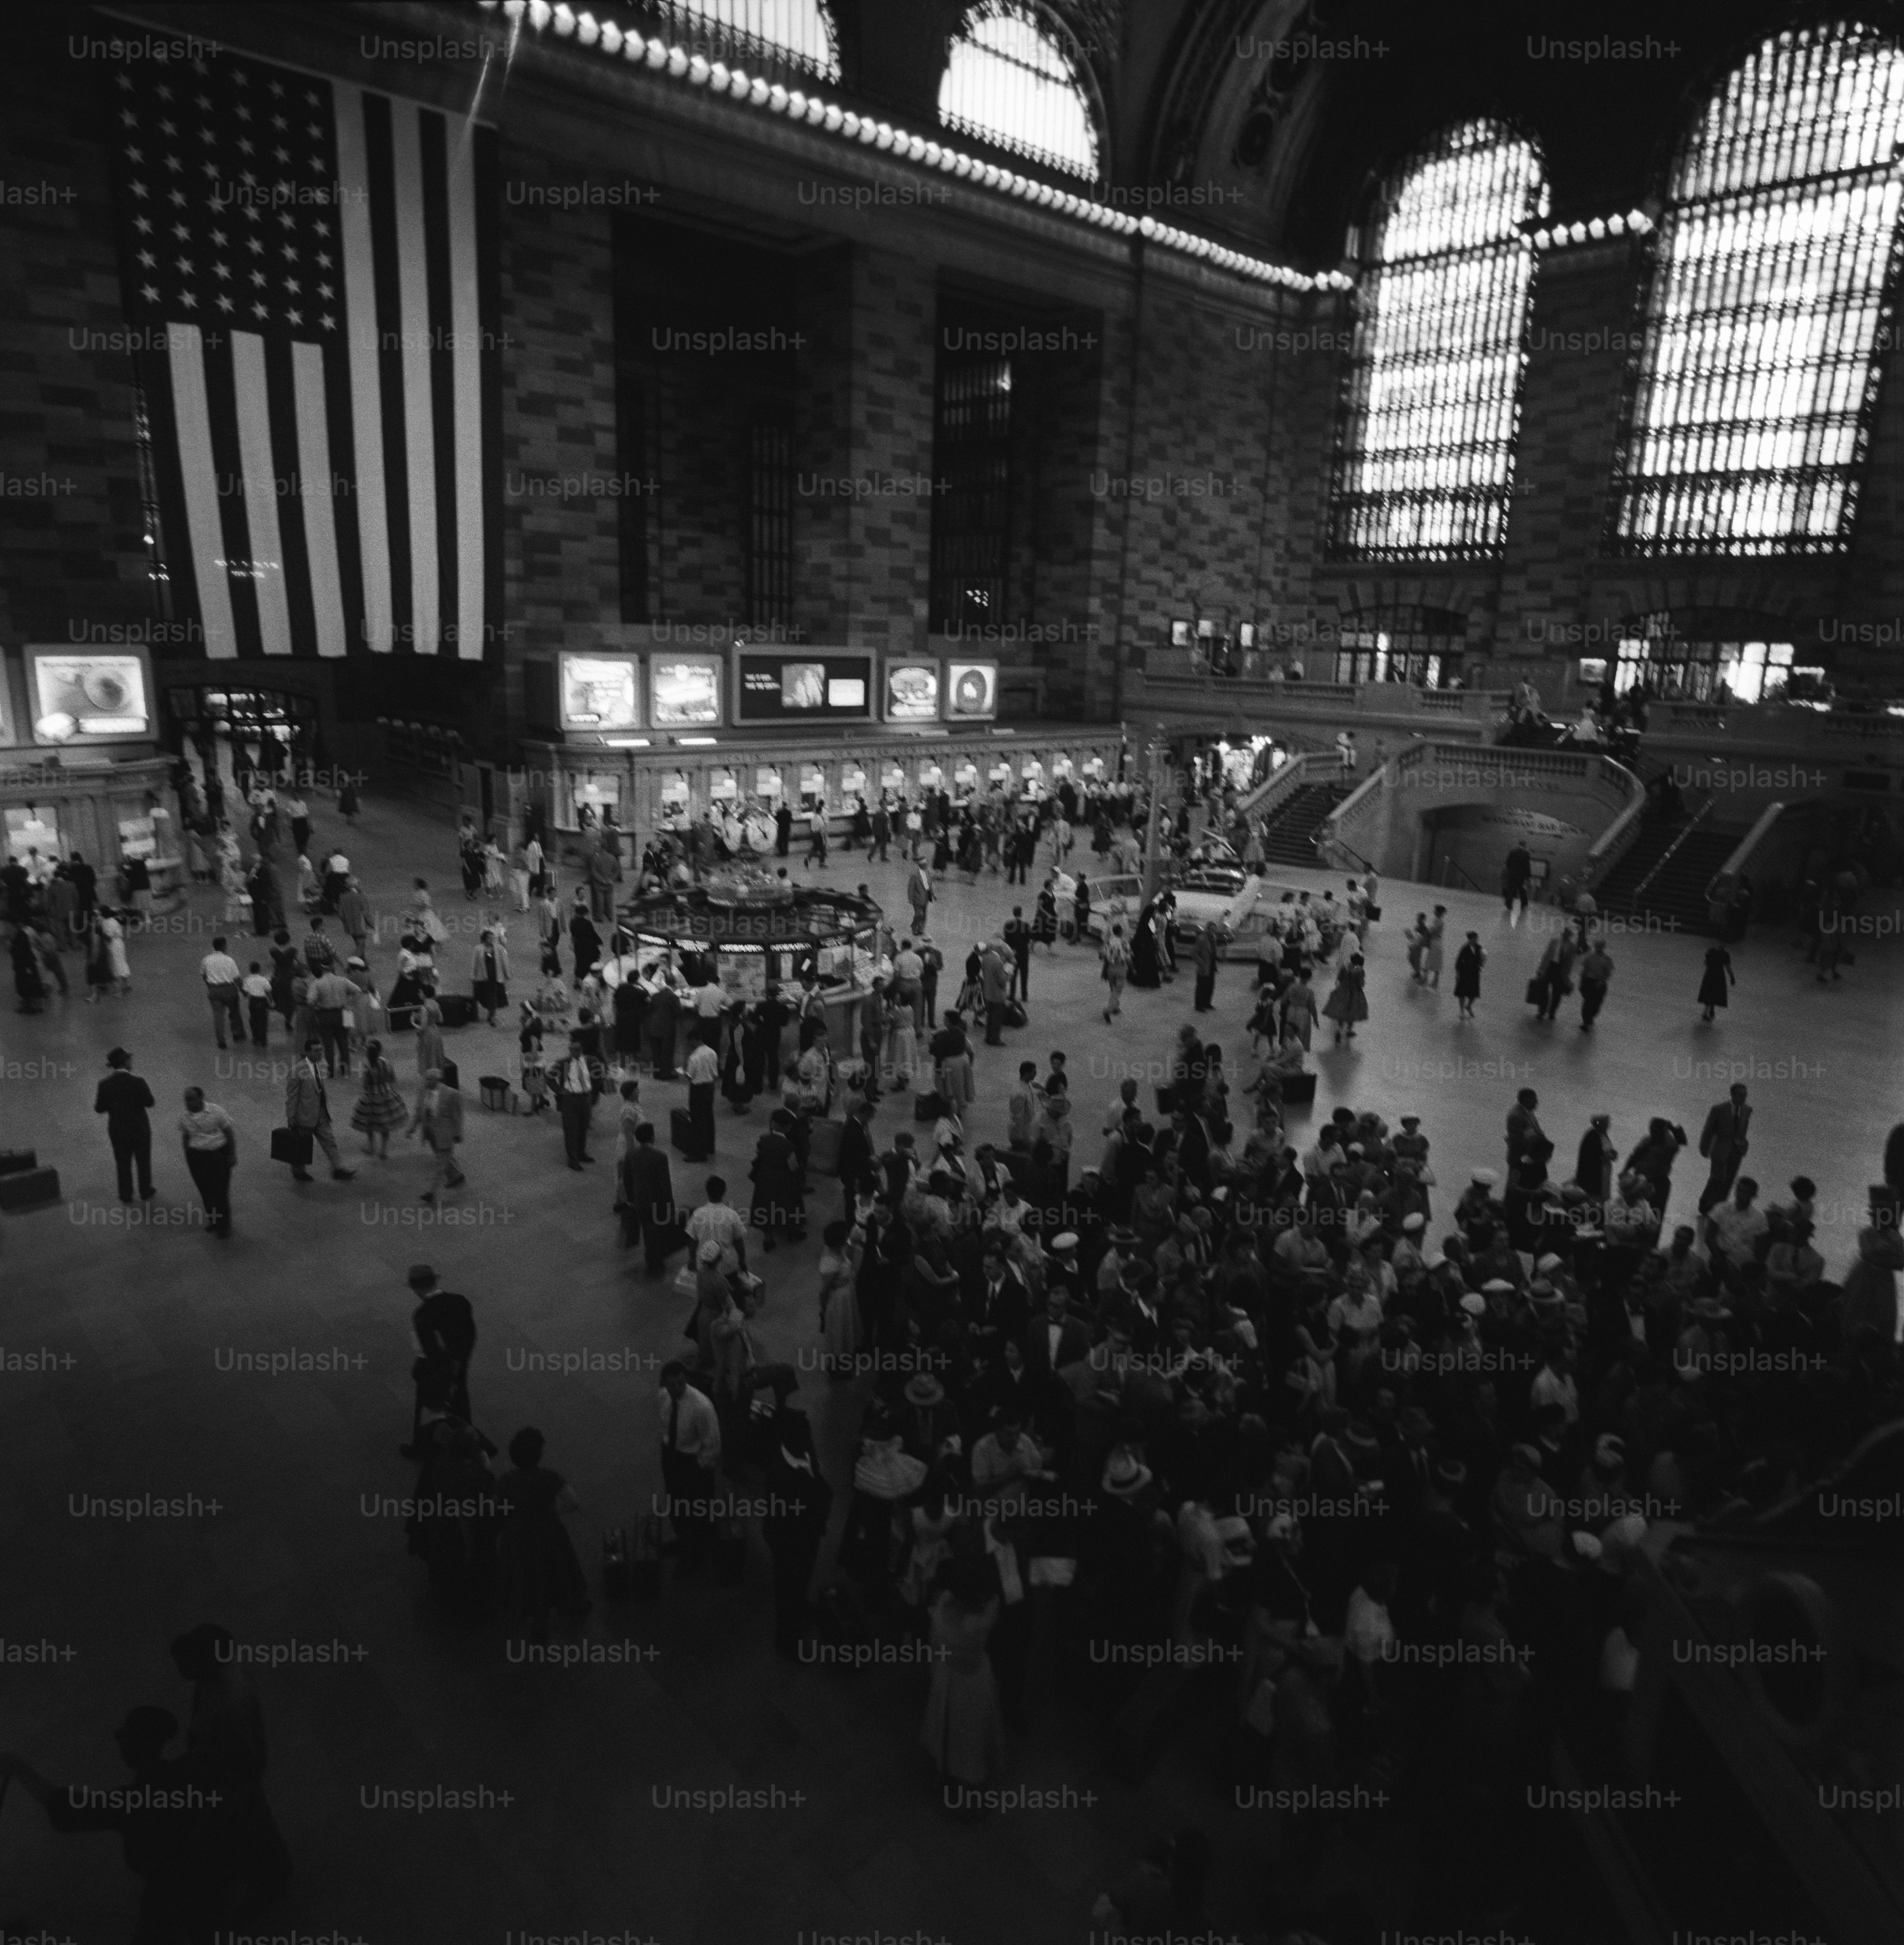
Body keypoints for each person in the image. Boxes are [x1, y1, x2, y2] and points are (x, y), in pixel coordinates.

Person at [0, 1707, 224, 1941]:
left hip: (171, 1904)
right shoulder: (178, 1779)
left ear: (138, 1744)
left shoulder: (142, 1797)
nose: (121, 1746)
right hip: (200, 1899)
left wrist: (20, 1770)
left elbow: (72, 1808)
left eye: (127, 1739)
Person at [919, 1563, 1009, 1798]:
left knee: (947, 1728)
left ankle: (946, 1771)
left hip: (949, 1678)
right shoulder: (990, 1609)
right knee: (972, 1734)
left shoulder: (944, 1612)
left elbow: (936, 1643)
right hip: (978, 1677)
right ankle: (969, 1778)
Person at [497, 1426, 591, 1642]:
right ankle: (572, 1605)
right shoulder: (550, 1478)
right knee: (560, 1571)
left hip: (518, 1537)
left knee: (529, 1579)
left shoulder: (506, 1480)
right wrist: (553, 1510)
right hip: (548, 1534)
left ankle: (538, 1622)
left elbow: (496, 1506)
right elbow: (573, 1502)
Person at [659, 1360, 722, 1564]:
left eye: (681, 1382)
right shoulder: (663, 1397)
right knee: (677, 1505)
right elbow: (665, 1427)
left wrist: (695, 1471)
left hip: (694, 1464)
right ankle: (684, 1540)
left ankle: (698, 1555)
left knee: (698, 1513)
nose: (677, 1388)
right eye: (672, 1384)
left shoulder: (702, 1407)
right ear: (665, 1385)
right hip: (672, 1457)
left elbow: (713, 1448)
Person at [283, 1038, 356, 1183]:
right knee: (302, 1145)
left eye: (321, 1050)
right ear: (307, 1052)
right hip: (305, 1116)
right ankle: (298, 1171)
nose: (320, 1053)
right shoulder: (297, 1071)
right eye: (316, 1050)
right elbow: (292, 1097)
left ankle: (338, 1168)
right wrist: (291, 1117)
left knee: (330, 1141)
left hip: (321, 1113)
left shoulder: (319, 1065)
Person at [94, 1047, 157, 1204]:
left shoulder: (104, 1085)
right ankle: (145, 1191)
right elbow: (150, 1103)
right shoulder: (138, 1082)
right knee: (143, 1161)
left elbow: (99, 1109)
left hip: (118, 1130)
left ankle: (126, 1194)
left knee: (123, 1163)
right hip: (139, 1129)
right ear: (126, 1062)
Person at [178, 1086, 238, 1237]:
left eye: (191, 1099)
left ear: (201, 1098)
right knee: (205, 1191)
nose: (188, 1102)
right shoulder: (185, 1117)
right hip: (197, 1158)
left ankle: (224, 1226)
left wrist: (232, 1154)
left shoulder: (216, 1111)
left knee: (220, 1192)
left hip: (218, 1156)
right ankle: (214, 1221)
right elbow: (186, 1135)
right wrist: (188, 1152)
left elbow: (229, 1133)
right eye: (186, 1099)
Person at [623, 1122, 678, 1274]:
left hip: (640, 1201)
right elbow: (665, 1184)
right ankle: (656, 1261)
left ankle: (650, 1258)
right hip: (657, 1202)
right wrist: (670, 1205)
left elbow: (627, 1179)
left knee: (647, 1230)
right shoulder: (660, 1157)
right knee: (658, 1231)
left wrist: (631, 1200)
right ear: (652, 1137)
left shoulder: (631, 1154)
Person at [409, 1067, 467, 1201]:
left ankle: (431, 1192)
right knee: (443, 1156)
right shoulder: (423, 1091)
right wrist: (412, 1128)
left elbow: (458, 1116)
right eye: (426, 1078)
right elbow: (419, 1112)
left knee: (440, 1164)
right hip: (430, 1132)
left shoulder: (452, 1094)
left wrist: (458, 1133)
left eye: (430, 1079)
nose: (426, 1081)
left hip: (445, 1133)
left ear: (437, 1080)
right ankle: (456, 1175)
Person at [1696, 1084, 1752, 1214]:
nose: (1743, 1098)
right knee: (1717, 1178)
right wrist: (1704, 1148)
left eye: (1745, 1095)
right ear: (1732, 1095)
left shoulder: (1747, 1110)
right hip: (1720, 1150)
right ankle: (1706, 1202)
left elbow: (1742, 1131)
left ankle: (1719, 1208)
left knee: (1729, 1180)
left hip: (1736, 1151)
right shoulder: (1719, 1109)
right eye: (1740, 1095)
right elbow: (1709, 1130)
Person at [351, 1037, 408, 1159]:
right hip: (386, 1093)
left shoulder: (364, 1066)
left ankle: (371, 1147)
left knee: (369, 1122)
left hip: (371, 1096)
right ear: (380, 1051)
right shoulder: (387, 1063)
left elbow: (364, 1084)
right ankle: (383, 1150)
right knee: (385, 1123)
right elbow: (393, 1079)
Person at [554, 1034, 598, 1171]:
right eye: (573, 1050)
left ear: (582, 1050)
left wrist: (593, 1090)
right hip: (570, 1100)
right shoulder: (563, 1063)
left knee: (583, 1128)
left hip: (585, 1099)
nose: (575, 1052)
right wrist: (559, 1090)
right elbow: (549, 1076)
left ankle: (581, 1153)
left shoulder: (590, 1061)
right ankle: (572, 1159)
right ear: (570, 1050)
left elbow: (599, 1074)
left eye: (578, 1049)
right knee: (571, 1130)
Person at [201, 935, 247, 1048]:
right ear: (223, 946)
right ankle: (237, 1034)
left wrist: (210, 987)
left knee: (218, 1016)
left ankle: (221, 1041)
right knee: (235, 1013)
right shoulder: (229, 960)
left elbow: (204, 975)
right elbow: (237, 978)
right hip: (230, 990)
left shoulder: (206, 960)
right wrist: (243, 990)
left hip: (214, 991)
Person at [686, 1028, 719, 1159]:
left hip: (698, 1090)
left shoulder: (694, 1057)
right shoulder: (712, 1052)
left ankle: (699, 1154)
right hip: (710, 1088)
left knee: (698, 1121)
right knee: (709, 1118)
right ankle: (710, 1148)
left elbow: (690, 1076)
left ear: (694, 1040)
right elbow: (716, 1073)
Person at [1322, 953, 1367, 1043]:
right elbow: (1361, 984)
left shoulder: (1345, 968)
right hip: (1355, 994)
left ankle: (1339, 1030)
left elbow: (1339, 979)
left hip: (1342, 992)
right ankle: (1349, 1031)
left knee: (1341, 1011)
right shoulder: (1360, 971)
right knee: (1353, 1012)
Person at [472, 928, 510, 1027]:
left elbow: (505, 962)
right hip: (483, 978)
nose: (491, 940)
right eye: (489, 938)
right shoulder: (478, 949)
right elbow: (474, 963)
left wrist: (507, 974)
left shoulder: (499, 949)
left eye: (492, 938)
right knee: (485, 997)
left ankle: (492, 1016)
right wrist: (473, 976)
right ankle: (490, 1014)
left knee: (493, 997)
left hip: (495, 977)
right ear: (484, 939)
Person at [1577, 938, 1613, 1030]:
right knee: (1588, 1003)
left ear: (1603, 947)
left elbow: (1608, 973)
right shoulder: (1590, 957)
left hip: (1599, 983)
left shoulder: (1607, 959)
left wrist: (1601, 982)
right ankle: (1586, 1021)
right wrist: (1582, 983)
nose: (1599, 948)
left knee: (1596, 1004)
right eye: (1597, 946)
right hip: (1589, 981)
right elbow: (1585, 970)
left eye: (1601, 946)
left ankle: (1590, 1017)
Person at [1697, 943, 1735, 1022]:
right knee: (1715, 993)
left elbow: (1706, 963)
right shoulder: (1725, 955)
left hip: (1710, 974)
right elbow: (1728, 967)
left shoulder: (1711, 952)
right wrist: (1732, 977)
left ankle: (1708, 1011)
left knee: (1709, 993)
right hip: (1719, 976)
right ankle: (1710, 1011)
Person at [1100, 920, 1129, 1022]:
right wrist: (1133, 969)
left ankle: (1116, 1008)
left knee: (1113, 989)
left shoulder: (1108, 942)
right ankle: (1108, 1010)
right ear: (1121, 932)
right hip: (1121, 968)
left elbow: (1101, 955)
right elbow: (1129, 958)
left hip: (1110, 969)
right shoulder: (1124, 943)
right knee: (1118, 991)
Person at [1453, 932, 1485, 1020]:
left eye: (1477, 938)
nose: (1476, 940)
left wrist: (1481, 963)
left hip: (1474, 973)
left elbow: (1481, 960)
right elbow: (1459, 962)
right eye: (1475, 939)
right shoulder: (1465, 949)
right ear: (1470, 939)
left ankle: (1468, 1006)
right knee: (1462, 994)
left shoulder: (1479, 948)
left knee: (1474, 994)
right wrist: (1458, 974)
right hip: (1465, 973)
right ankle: (1462, 1011)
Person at [1192, 920, 1220, 1013]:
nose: (1213, 931)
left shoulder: (1214, 938)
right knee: (1202, 987)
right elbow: (1194, 953)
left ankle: (1207, 1003)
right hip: (1204, 967)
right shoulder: (1202, 939)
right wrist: (1201, 963)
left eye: (1214, 930)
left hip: (1212, 966)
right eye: (1211, 929)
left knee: (1210, 986)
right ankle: (1199, 1005)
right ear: (1207, 929)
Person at [1501, 844, 1532, 922]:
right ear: (1524, 846)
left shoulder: (1513, 852)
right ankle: (1524, 904)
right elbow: (1527, 866)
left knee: (1511, 889)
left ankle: (1509, 905)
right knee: (1522, 890)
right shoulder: (1526, 854)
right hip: (1521, 875)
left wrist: (1510, 871)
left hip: (1512, 874)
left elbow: (1508, 863)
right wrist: (1528, 876)